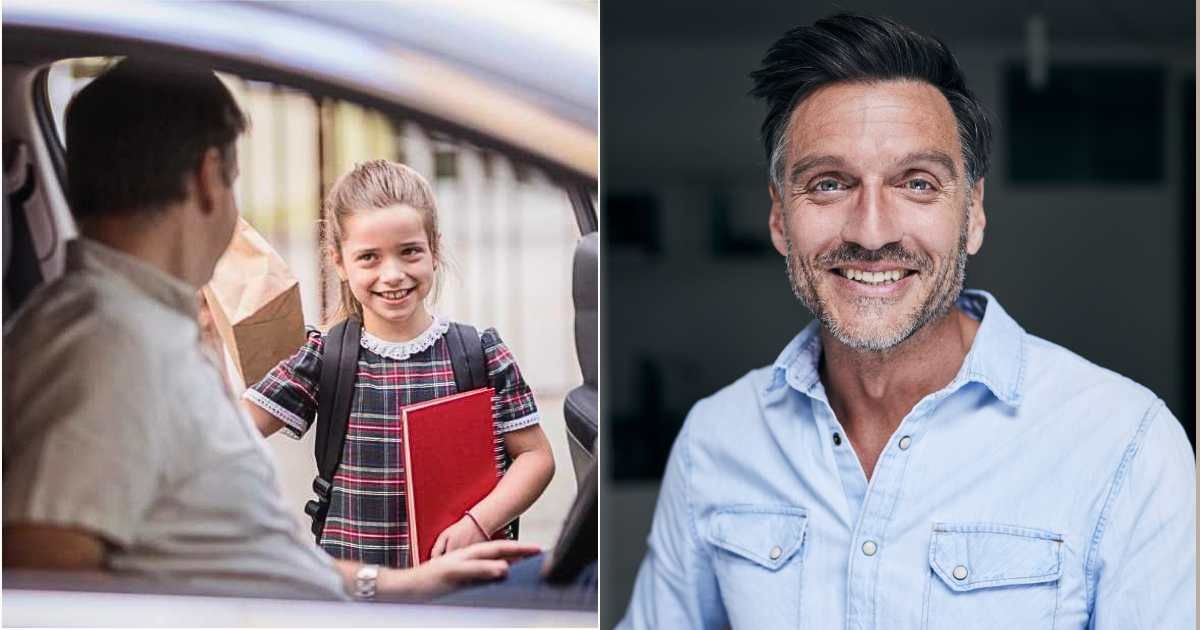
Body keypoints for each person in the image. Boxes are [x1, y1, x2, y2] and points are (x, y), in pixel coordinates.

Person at [618, 14, 1195, 630]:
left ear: (972, 213)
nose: (872, 232)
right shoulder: (715, 440)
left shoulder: (1127, 445)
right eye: (830, 184)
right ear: (780, 218)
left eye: (917, 184)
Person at [2, 59, 539, 602]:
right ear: (208, 178)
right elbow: (46, 582)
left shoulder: (147, 330)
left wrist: (398, 585)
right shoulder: (103, 350)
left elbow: (241, 554)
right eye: (234, 182)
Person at [241, 159, 556, 567]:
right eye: (369, 257)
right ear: (338, 261)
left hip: (457, 581)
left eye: (409, 252)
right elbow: (231, 431)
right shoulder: (325, 357)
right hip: (359, 589)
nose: (392, 274)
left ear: (434, 250)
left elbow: (536, 457)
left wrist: (479, 523)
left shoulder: (480, 353)